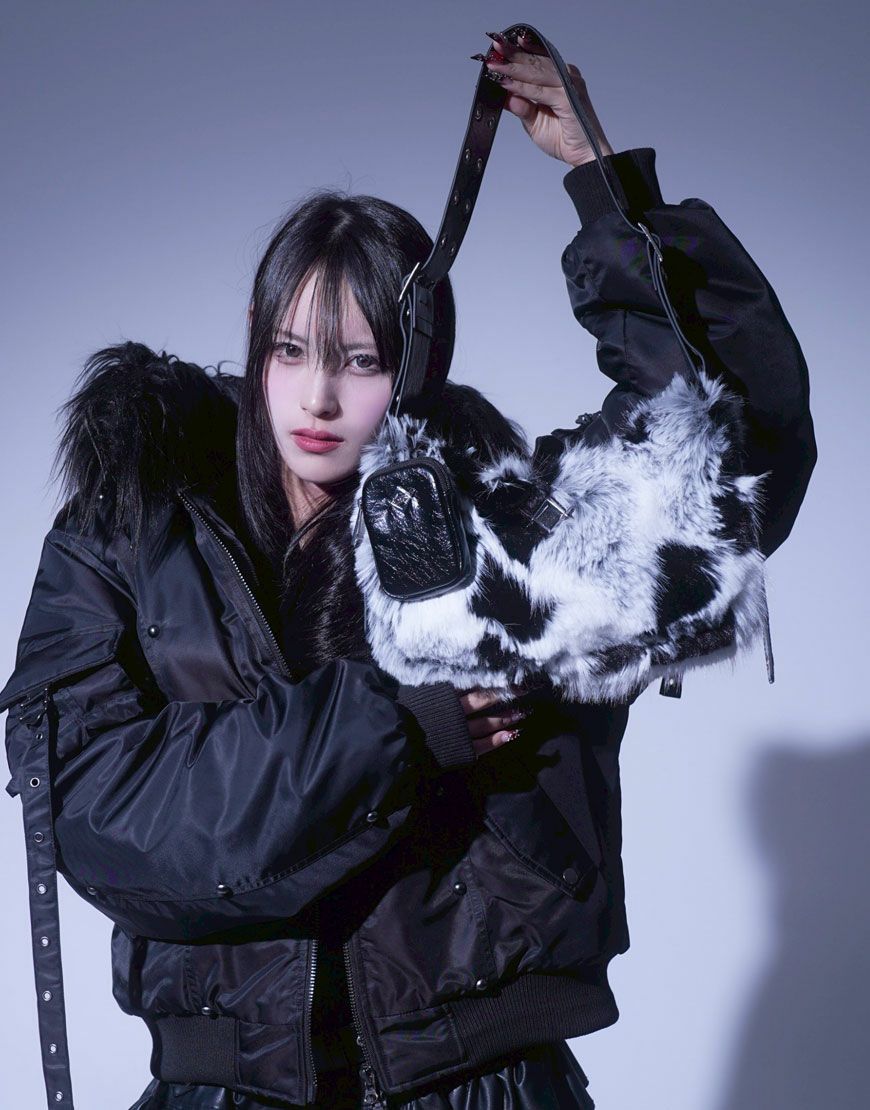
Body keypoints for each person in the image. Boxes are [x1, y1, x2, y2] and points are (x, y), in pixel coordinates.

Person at [0, 28, 816, 1110]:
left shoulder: (508, 538)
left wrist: (603, 185)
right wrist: (396, 720)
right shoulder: (127, 533)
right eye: (292, 350)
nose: (317, 398)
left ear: (419, 363)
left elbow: (725, 453)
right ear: (256, 340)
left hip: (481, 1082)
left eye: (361, 360)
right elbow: (101, 819)